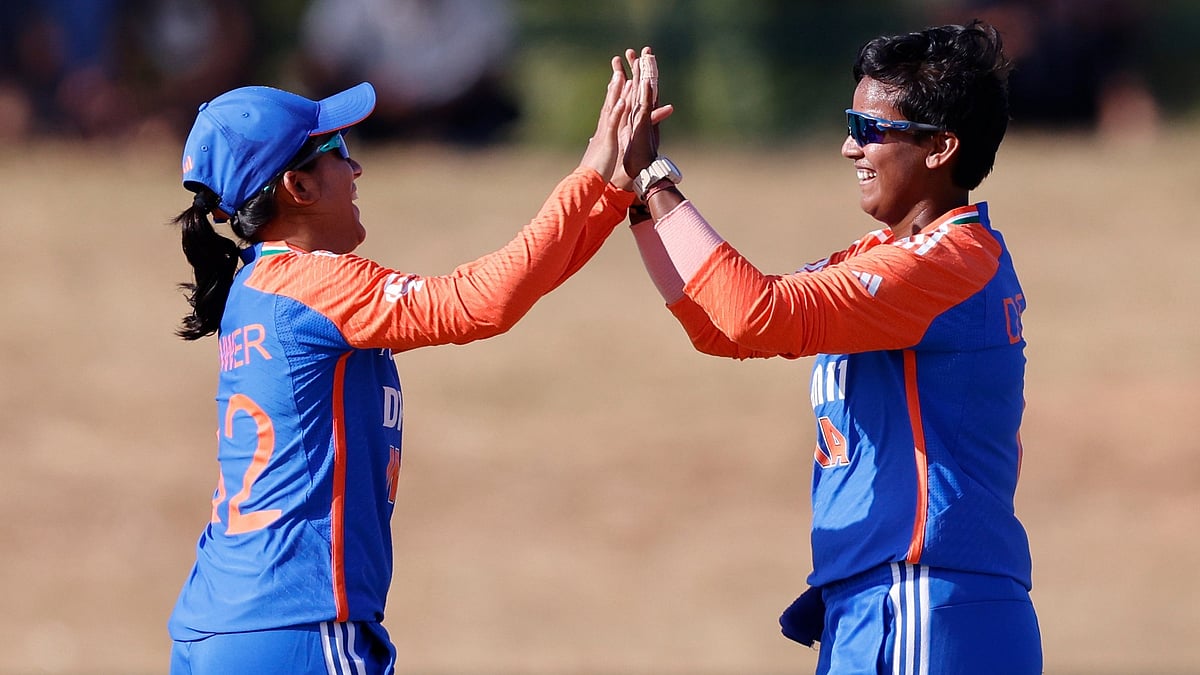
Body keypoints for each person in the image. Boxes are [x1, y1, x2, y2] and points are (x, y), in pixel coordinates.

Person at [166, 56, 658, 673]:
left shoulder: (258, 286)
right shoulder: (316, 287)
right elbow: (483, 303)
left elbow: (516, 287)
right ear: (298, 188)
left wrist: (614, 191)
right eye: (338, 151)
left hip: (217, 631)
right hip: (296, 626)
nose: (357, 167)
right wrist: (592, 168)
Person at [622, 24, 1040, 674]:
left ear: (940, 147)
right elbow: (722, 326)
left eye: (870, 128)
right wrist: (640, 201)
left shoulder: (945, 262)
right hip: (883, 603)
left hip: (922, 599)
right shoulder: (892, 257)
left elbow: (755, 314)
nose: (850, 146)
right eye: (852, 125)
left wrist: (656, 178)